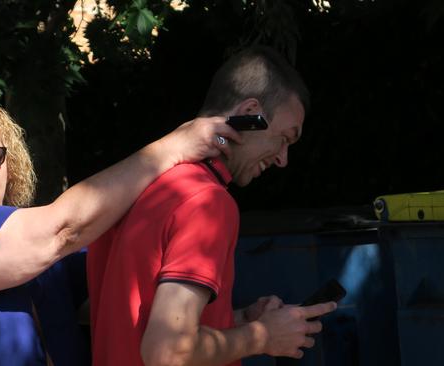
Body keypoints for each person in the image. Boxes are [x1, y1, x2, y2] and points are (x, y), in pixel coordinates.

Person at [0, 94, 240, 365]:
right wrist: (176, 147)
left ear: (10, 164)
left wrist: (244, 324)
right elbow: (62, 230)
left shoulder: (52, 261)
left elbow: (128, 306)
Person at [86, 45, 337, 366]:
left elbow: (136, 324)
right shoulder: (207, 203)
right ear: (250, 114)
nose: (282, 159)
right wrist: (263, 335)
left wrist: (240, 320)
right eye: (285, 138)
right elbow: (166, 352)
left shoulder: (136, 187)